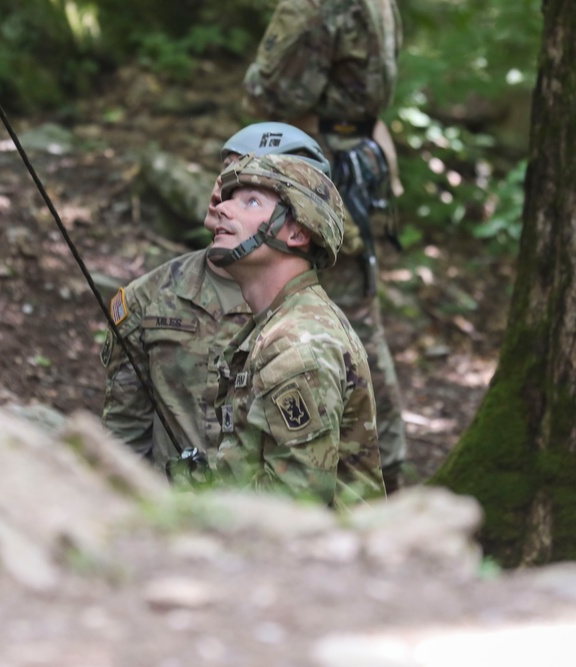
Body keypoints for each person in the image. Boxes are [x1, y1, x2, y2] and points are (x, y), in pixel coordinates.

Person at [239, 0, 408, 492]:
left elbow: (267, 91)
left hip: (315, 169)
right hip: (353, 161)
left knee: (300, 312)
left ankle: (333, 469)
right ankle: (386, 464)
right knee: (357, 317)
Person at [100, 122, 333, 475]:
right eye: (224, 176)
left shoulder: (309, 325)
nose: (220, 194)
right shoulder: (146, 298)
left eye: (248, 192)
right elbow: (123, 436)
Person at [208, 153, 385, 507]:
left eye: (251, 201)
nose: (224, 208)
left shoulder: (297, 344)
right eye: (229, 198)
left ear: (297, 232)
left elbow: (296, 506)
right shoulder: (279, 326)